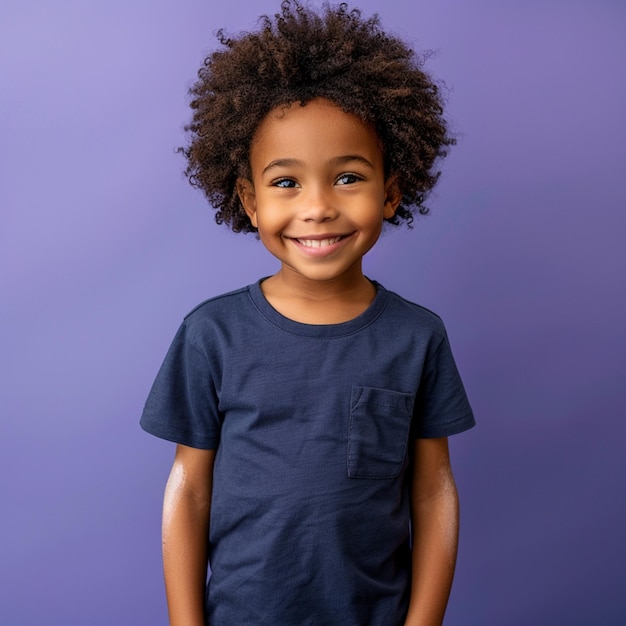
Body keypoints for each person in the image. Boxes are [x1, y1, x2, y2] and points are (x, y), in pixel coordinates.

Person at [140, 2, 475, 624]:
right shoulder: (211, 334)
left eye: (348, 177)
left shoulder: (417, 337)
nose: (317, 208)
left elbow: (432, 490)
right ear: (249, 198)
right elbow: (188, 491)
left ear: (391, 191)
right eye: (287, 182)